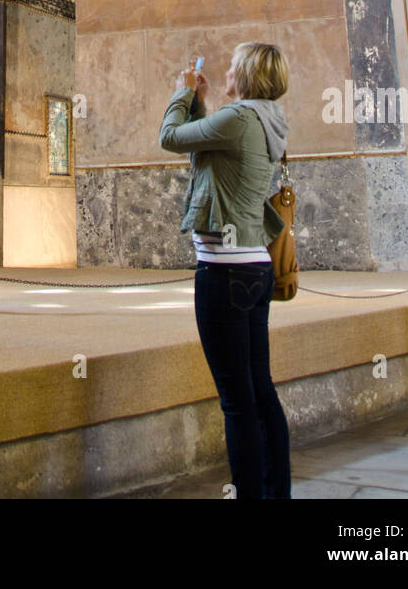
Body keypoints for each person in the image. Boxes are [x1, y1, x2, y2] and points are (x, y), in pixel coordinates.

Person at [159, 41, 292, 499]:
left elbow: (171, 138)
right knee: (261, 392)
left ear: (249, 74)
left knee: (237, 403)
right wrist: (201, 103)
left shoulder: (238, 118)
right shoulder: (263, 118)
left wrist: (181, 94)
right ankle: (277, 492)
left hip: (224, 273)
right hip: (253, 267)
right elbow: (208, 147)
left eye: (235, 65)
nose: (229, 70)